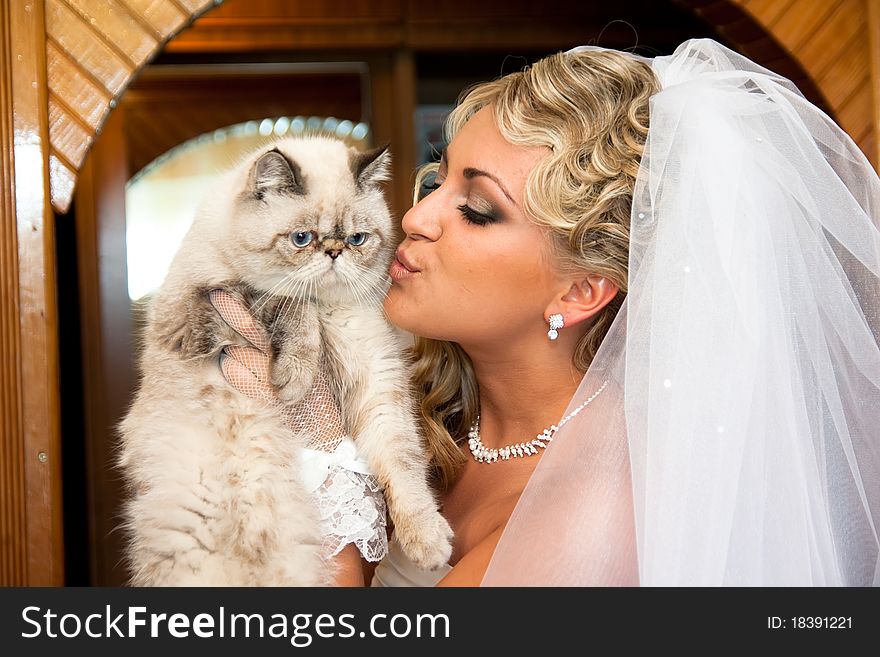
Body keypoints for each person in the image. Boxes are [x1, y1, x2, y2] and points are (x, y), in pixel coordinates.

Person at [215, 39, 880, 586]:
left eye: (478, 210)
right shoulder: (428, 404)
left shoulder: (598, 513)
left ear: (581, 291)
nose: (415, 217)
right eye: (437, 175)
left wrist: (323, 463)